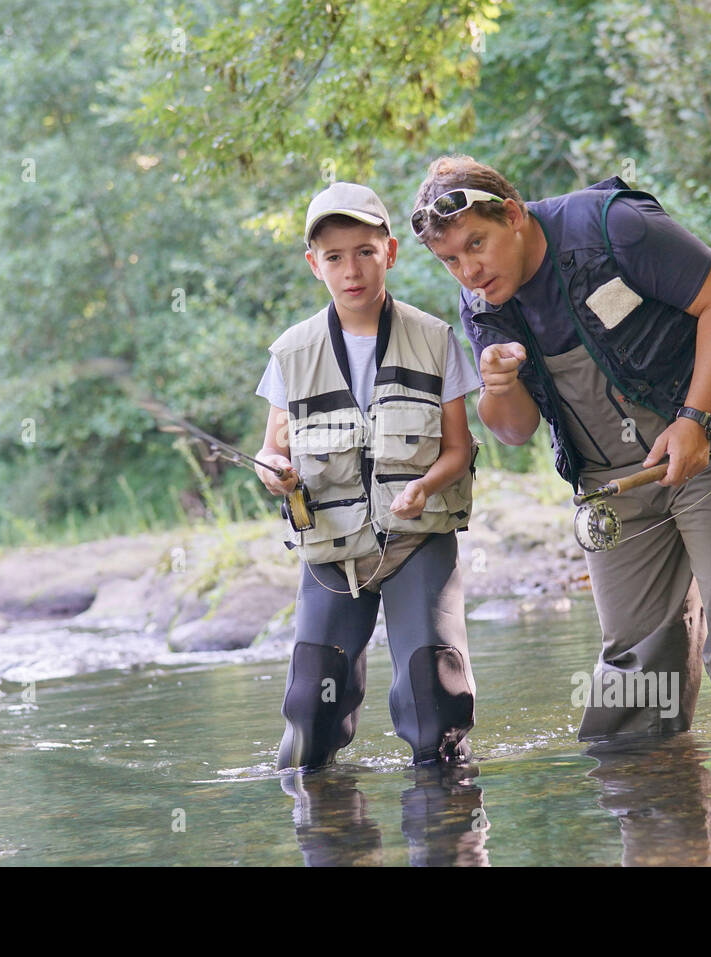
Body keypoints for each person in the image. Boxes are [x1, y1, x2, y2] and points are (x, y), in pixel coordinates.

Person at [409, 155, 711, 742]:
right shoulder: (482, 305)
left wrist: (696, 419)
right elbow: (513, 430)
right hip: (612, 480)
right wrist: (498, 387)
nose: (469, 270)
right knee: (635, 664)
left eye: (477, 244)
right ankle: (652, 803)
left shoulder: (612, 226)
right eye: (451, 260)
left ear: (515, 216)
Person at [253, 181, 483, 770]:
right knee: (310, 719)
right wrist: (275, 471)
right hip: (332, 552)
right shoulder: (290, 353)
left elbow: (459, 450)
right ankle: (323, 827)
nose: (351, 269)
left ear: (390, 252)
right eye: (333, 257)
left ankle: (448, 830)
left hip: (418, 542)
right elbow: (271, 453)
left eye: (363, 251)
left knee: (435, 704)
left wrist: (424, 486)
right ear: (314, 265)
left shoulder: (435, 340)